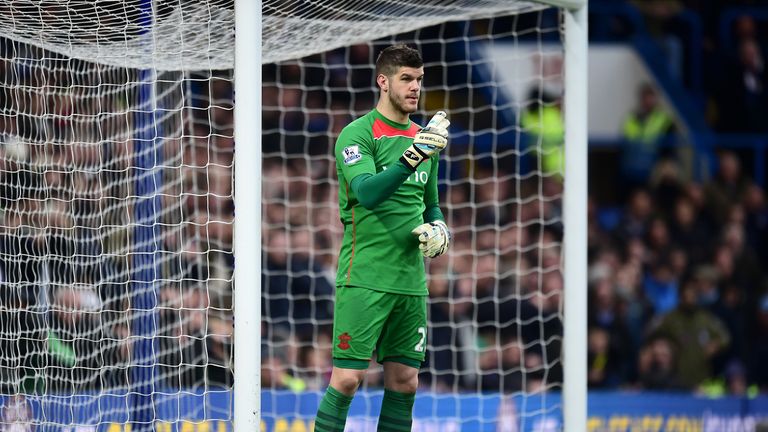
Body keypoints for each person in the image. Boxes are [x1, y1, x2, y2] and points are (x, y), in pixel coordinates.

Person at [313, 44, 451, 432]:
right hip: (365, 277)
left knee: (406, 381)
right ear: (383, 81)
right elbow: (369, 193)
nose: (415, 88)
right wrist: (413, 155)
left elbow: (432, 204)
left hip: (410, 283)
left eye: (419, 80)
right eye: (406, 79)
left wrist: (441, 230)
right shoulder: (357, 134)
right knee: (347, 379)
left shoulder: (426, 141)